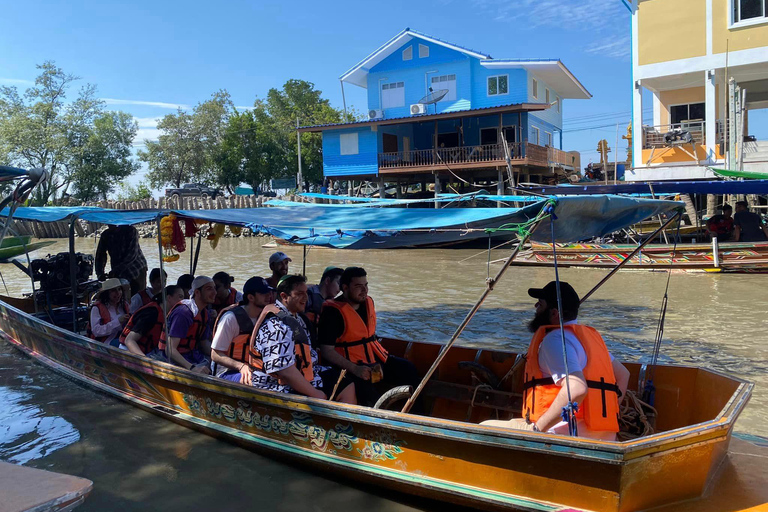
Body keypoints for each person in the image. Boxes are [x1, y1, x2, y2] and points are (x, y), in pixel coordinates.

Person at [481, 281, 630, 441]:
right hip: (606, 437)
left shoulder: (555, 339)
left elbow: (577, 389)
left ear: (554, 313)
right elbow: (623, 374)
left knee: (482, 429)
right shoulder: (586, 339)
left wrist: (537, 430)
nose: (535, 306)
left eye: (541, 303)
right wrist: (606, 413)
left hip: (565, 438)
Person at [317, 267, 419, 407]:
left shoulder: (368, 303)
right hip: (348, 367)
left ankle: (416, 414)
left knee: (408, 369)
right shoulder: (332, 313)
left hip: (373, 359)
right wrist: (355, 369)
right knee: (371, 396)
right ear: (345, 288)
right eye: (358, 286)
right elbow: (326, 351)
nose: (364, 290)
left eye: (366, 285)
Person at [250, 274, 356, 403]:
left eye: (306, 292)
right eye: (299, 293)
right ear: (284, 296)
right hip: (277, 385)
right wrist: (317, 394)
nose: (305, 297)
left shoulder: (295, 317)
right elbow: (284, 371)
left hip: (304, 372)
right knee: (338, 387)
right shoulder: (276, 326)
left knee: (345, 381)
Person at [210, 277, 274, 383]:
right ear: (251, 297)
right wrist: (241, 366)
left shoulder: (266, 318)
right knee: (259, 380)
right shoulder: (231, 319)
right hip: (227, 372)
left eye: (269, 292)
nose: (269, 296)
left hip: (256, 369)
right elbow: (215, 354)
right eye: (263, 293)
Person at [158, 276, 216, 374]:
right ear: (197, 292)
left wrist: (220, 357)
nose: (215, 292)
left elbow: (204, 343)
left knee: (215, 365)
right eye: (209, 289)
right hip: (170, 359)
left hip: (192, 355)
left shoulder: (204, 313)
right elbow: (170, 349)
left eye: (214, 288)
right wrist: (193, 368)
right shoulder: (183, 313)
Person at [119, 285, 185, 357]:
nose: (183, 301)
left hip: (149, 350)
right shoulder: (151, 313)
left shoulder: (169, 315)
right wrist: (145, 360)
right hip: (129, 350)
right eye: (180, 297)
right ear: (169, 297)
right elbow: (129, 340)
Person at [95, 224, 148, 295]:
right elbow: (100, 255)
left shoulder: (131, 230)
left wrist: (116, 271)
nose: (110, 226)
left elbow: (131, 255)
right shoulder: (106, 235)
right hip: (118, 272)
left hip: (136, 269)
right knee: (120, 297)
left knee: (139, 297)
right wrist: (100, 273)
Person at [88, 278, 131, 347]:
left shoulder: (124, 305)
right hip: (106, 342)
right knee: (128, 345)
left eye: (119, 289)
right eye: (113, 290)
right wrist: (118, 321)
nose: (118, 293)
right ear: (106, 293)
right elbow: (96, 331)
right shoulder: (97, 308)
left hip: (124, 337)